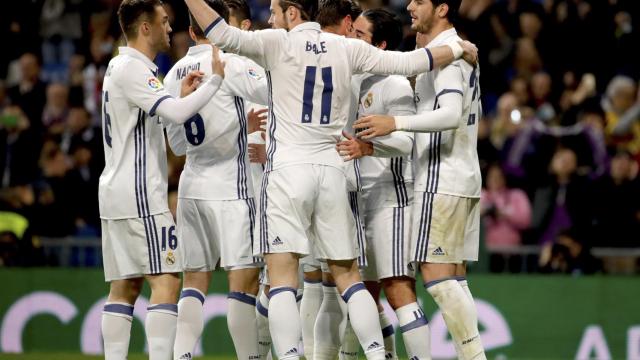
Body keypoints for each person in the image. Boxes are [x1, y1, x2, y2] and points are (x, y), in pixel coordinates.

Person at [183, 0, 477, 358]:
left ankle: (291, 356)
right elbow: (411, 61)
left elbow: (220, 33)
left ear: (293, 12)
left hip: (289, 172)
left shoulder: (276, 42)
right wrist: (458, 46)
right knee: (350, 280)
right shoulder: (348, 47)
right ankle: (373, 353)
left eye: (276, 7)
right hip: (333, 172)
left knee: (282, 281)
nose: (271, 14)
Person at [353, 0, 487, 359]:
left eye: (419, 1)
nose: (409, 6)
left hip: (441, 175)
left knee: (440, 281)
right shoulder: (446, 51)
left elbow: (451, 113)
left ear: (442, 8)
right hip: (461, 173)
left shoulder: (450, 56)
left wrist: (394, 123)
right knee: (453, 281)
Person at [98, 1, 225, 359]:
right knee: (167, 281)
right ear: (145, 28)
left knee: (125, 286)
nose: (171, 29)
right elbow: (176, 113)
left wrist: (176, 95)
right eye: (165, 22)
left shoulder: (118, 67)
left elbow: (159, 113)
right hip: (141, 194)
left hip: (116, 190)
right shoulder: (134, 70)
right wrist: (215, 81)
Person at [163, 1, 269, 359]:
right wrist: (245, 126)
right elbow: (278, 93)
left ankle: (180, 356)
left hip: (191, 187)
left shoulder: (172, 74)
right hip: (232, 188)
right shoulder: (231, 62)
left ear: (190, 32)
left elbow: (176, 144)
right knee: (243, 282)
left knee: (193, 283)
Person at [336, 8, 431, 359]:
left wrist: (369, 146)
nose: (351, 39)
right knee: (362, 293)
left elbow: (409, 142)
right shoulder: (353, 81)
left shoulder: (394, 83)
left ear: (381, 44)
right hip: (358, 199)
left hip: (392, 199)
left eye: (359, 35)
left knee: (398, 290)